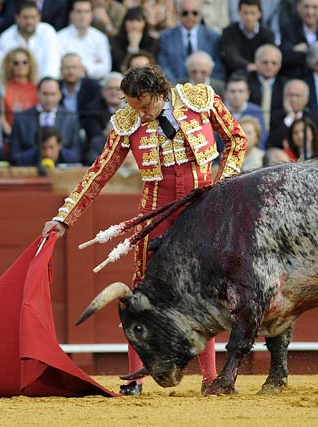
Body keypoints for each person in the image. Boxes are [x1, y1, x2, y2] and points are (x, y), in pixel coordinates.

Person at [41, 65, 246, 396]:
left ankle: (210, 378)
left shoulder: (199, 100)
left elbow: (236, 138)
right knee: (141, 297)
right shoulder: (128, 121)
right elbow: (99, 172)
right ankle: (134, 380)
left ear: (160, 93)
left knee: (203, 293)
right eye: (134, 106)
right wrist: (65, 217)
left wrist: (224, 184)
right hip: (155, 215)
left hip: (202, 210)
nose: (140, 113)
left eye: (145, 105)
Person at [9, 77, 81, 166]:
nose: (49, 99)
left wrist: (56, 150)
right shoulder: (21, 118)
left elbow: (77, 155)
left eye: (53, 94)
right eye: (45, 94)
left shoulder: (70, 118)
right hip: (30, 173)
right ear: (37, 94)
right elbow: (13, 156)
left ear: (60, 95)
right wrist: (38, 151)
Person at [157, 0, 223, 83]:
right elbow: (164, 65)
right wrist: (176, 86)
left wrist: (207, 85)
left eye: (194, 13)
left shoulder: (213, 37)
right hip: (175, 88)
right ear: (178, 13)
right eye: (185, 13)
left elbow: (218, 66)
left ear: (201, 14)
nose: (190, 16)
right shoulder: (166, 37)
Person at [0, 1, 60, 79]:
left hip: (45, 85)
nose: (29, 21)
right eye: (25, 17)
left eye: (33, 17)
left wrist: (46, 84)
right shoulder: (5, 38)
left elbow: (51, 62)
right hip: (16, 86)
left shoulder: (48, 31)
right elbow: (6, 69)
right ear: (17, 17)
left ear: (39, 17)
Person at [279, 0, 318, 78]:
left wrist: (304, 50)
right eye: (306, 7)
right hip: (298, 77)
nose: (310, 12)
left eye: (315, 7)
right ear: (298, 7)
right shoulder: (289, 28)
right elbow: (286, 56)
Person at [57, 0, 112, 81]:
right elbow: (58, 66)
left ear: (91, 15)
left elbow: (106, 68)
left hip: (94, 83)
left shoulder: (100, 38)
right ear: (71, 15)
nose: (82, 16)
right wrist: (93, 64)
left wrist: (84, 69)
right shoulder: (59, 37)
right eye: (79, 11)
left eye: (86, 12)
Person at [220, 0, 275, 78]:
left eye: (252, 13)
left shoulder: (268, 34)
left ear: (260, 14)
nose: (249, 17)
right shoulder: (229, 32)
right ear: (239, 12)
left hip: (261, 75)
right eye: (245, 13)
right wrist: (248, 65)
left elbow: (270, 56)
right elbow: (231, 56)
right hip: (236, 75)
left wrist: (258, 67)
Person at [0, 48, 39, 137]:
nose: (21, 66)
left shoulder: (38, 89)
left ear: (30, 65)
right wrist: (13, 136)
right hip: (11, 136)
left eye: (25, 62)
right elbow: (2, 118)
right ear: (10, 66)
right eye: (16, 63)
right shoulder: (3, 88)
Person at [247, 44, 286, 130]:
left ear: (280, 65)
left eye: (274, 63)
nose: (269, 66)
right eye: (265, 62)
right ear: (256, 62)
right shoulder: (246, 82)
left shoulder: (285, 86)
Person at [223, 73, 267, 146]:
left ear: (248, 94)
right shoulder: (217, 111)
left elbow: (262, 139)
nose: (236, 95)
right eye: (232, 91)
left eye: (240, 91)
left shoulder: (256, 112)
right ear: (225, 93)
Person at [110, 7, 158, 72]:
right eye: (131, 20)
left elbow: (152, 64)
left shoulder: (152, 41)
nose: (134, 24)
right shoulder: (115, 41)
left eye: (138, 20)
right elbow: (120, 66)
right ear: (124, 23)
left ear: (144, 23)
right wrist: (132, 46)